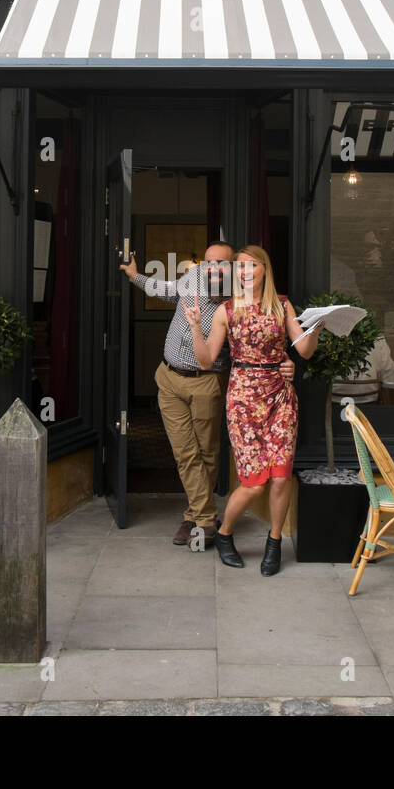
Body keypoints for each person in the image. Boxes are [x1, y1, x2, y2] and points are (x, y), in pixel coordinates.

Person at [120, 241, 295, 547]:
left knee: (206, 452)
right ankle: (203, 518)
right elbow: (167, 289)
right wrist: (136, 277)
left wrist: (285, 363)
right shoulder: (194, 277)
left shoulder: (238, 302)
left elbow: (261, 343)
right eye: (208, 262)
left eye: (221, 264)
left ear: (234, 269)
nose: (212, 268)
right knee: (185, 452)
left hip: (206, 382)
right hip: (168, 379)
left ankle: (195, 515)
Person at [186, 245, 319, 576]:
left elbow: (303, 351)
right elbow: (205, 361)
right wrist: (194, 328)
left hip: (280, 397)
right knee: (254, 482)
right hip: (243, 400)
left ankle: (273, 544)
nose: (244, 271)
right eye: (239, 267)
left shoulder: (282, 305)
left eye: (251, 266)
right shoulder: (225, 311)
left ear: (264, 269)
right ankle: (226, 534)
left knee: (280, 477)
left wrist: (317, 326)